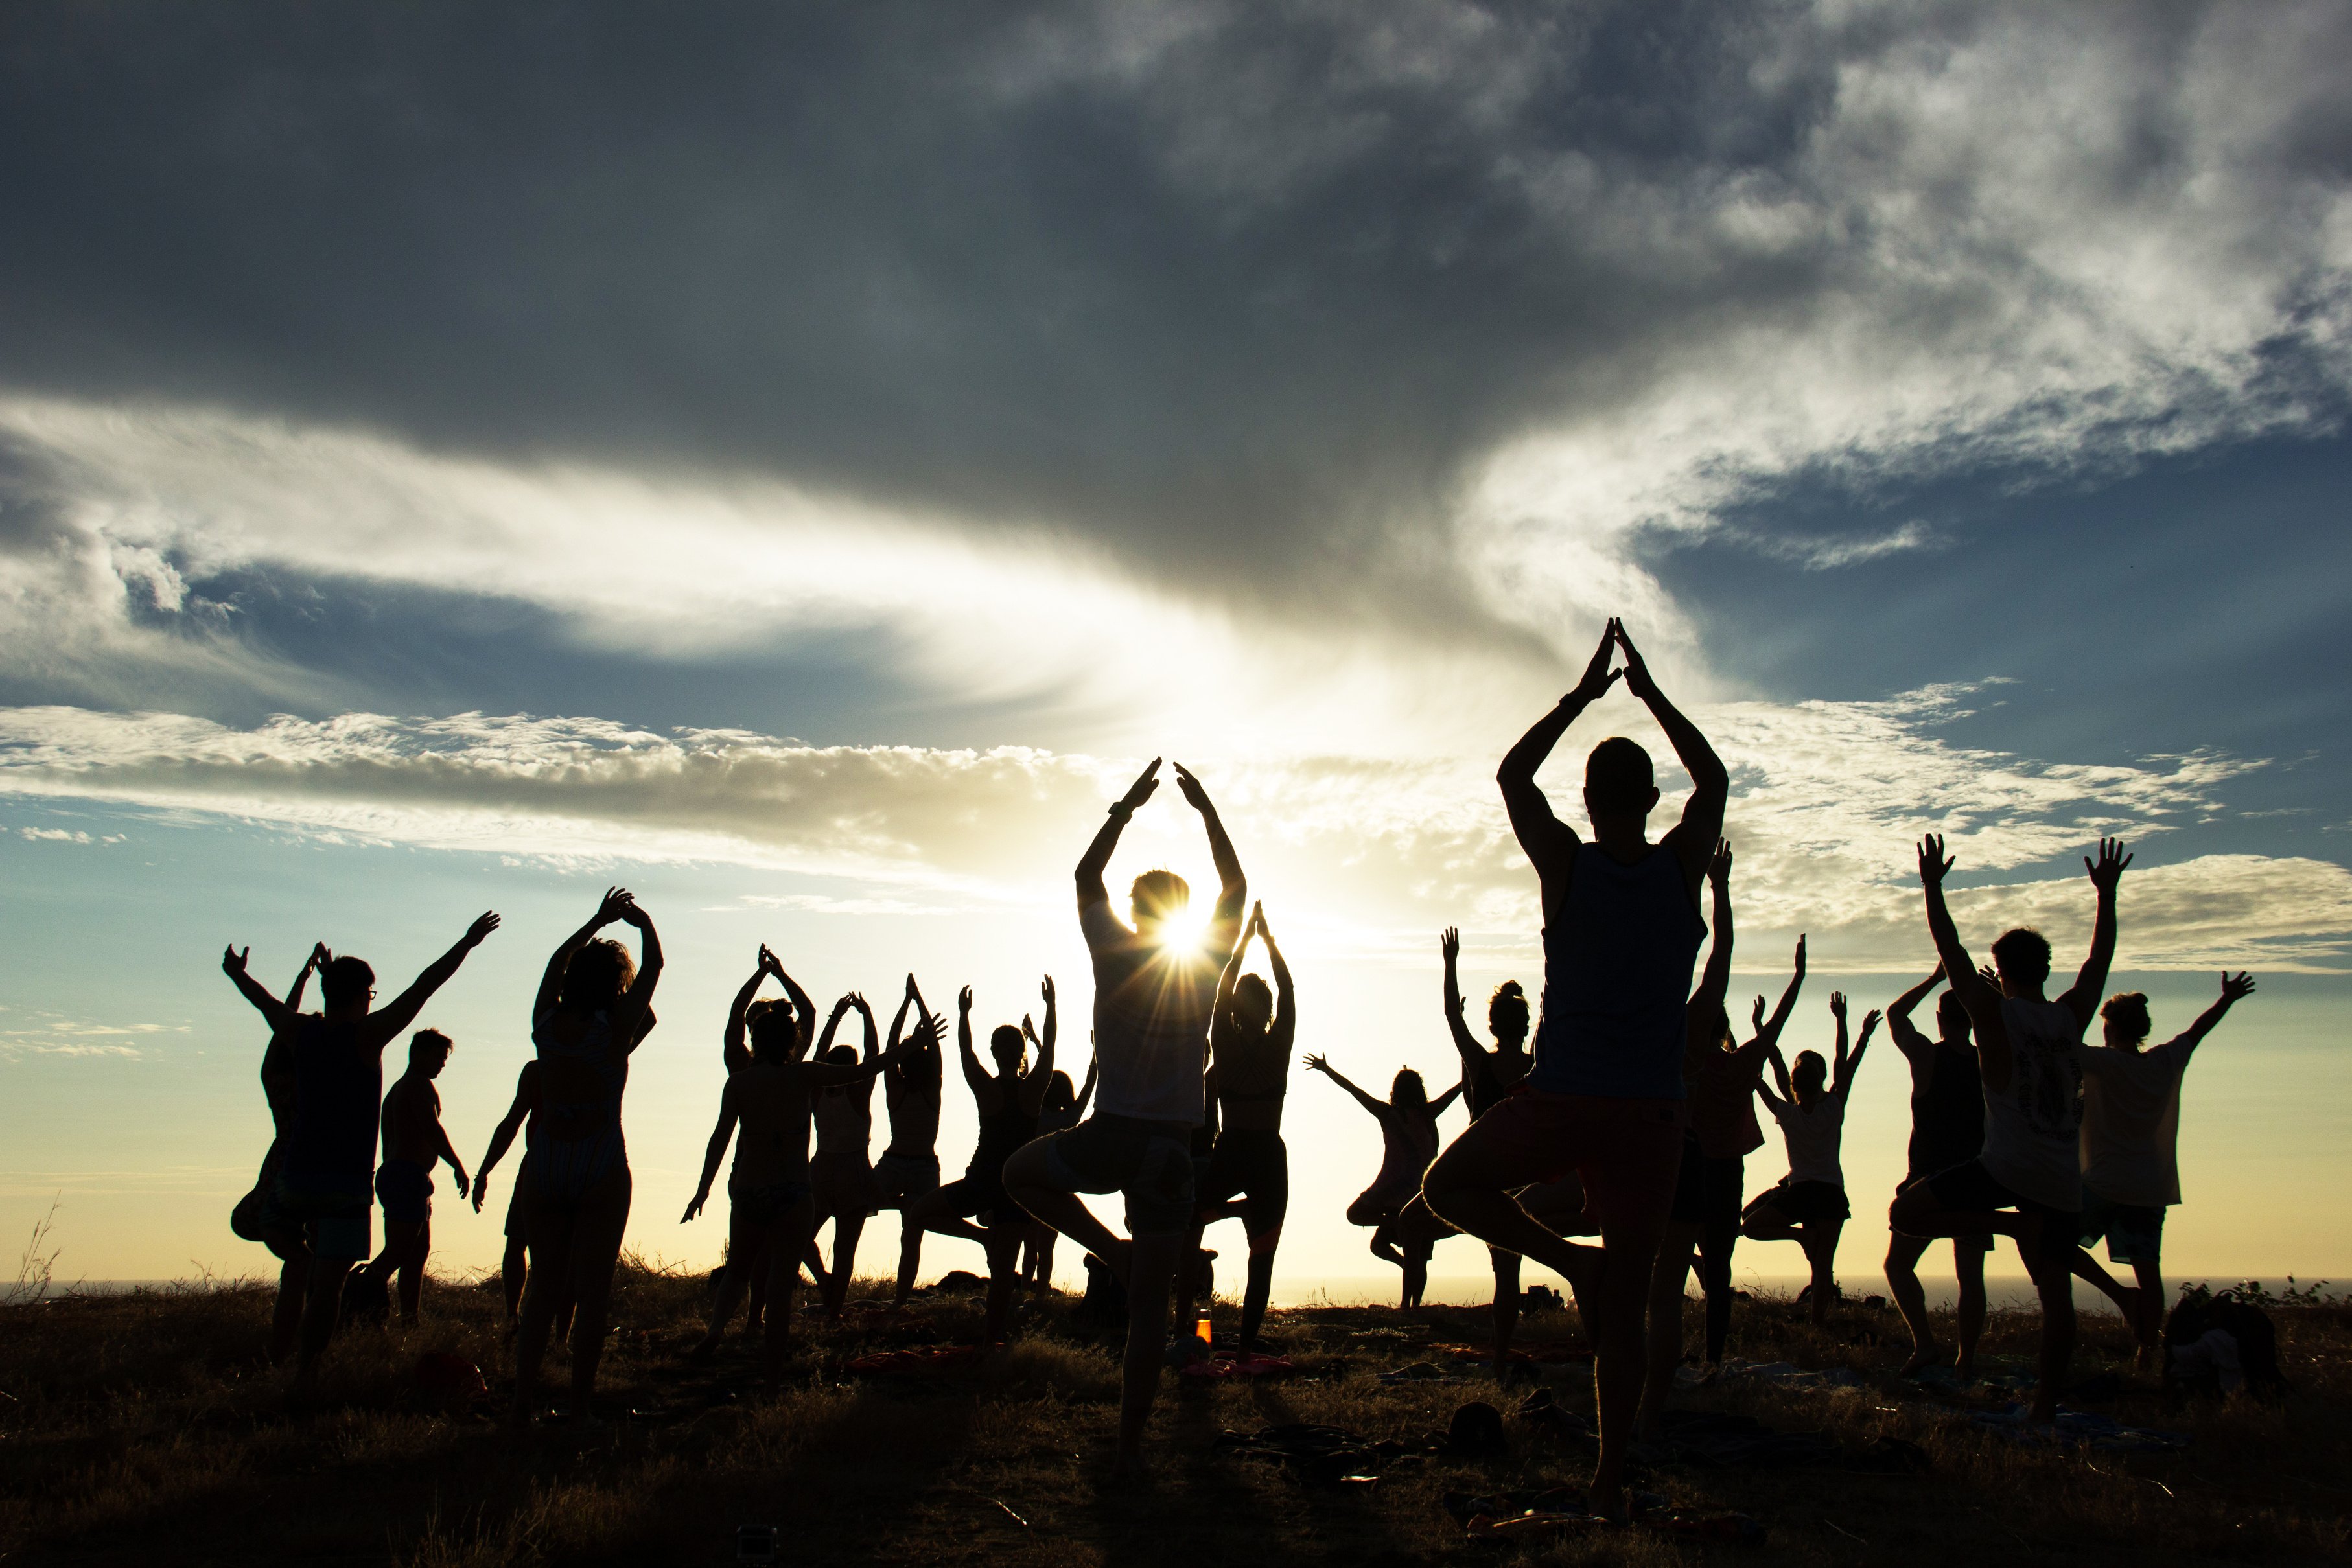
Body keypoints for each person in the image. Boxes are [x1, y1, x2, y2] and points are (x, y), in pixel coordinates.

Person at [1422, 619, 1727, 1519]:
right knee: (1628, 1307)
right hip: (1651, 1117)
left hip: (1562, 1101)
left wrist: (1585, 695)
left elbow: (1514, 776)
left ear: (1590, 800)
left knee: (1447, 1188)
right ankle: (1607, 1481)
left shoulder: (1566, 864)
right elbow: (1712, 780)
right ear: (1648, 797)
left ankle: (1566, 1265)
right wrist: (1651, 693)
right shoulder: (1680, 870)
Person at [1002, 757, 1247, 1477]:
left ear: (1137, 909)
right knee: (1147, 1316)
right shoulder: (1201, 963)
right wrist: (1205, 812)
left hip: (1110, 1134)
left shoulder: (1113, 951)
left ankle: (1111, 1251)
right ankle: (1129, 1445)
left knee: (1021, 1174)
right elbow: (1234, 888)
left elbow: (1084, 879)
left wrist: (1124, 808)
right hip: (1172, 1150)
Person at [1890, 836, 2130, 1424]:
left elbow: (1948, 949)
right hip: (2057, 1179)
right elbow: (2099, 963)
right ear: (2045, 970)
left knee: (1904, 1214)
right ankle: (2044, 1408)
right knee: (2056, 1296)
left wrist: (1931, 887)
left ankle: (2006, 1224)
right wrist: (2106, 896)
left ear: (1998, 973)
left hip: (2002, 1170)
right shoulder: (2070, 1016)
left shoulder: (1994, 1016)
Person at [218, 911, 501, 1401]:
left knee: (297, 1268)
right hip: (344, 1186)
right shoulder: (366, 1038)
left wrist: (239, 974)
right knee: (326, 1286)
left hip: (295, 1178)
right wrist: (468, 942)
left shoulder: (302, 1034)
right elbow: (424, 986)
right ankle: (306, 1374)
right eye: (371, 995)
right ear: (363, 994)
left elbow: (263, 1003)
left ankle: (278, 1358)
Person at [684, 951, 910, 1378]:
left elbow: (720, 1136)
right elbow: (864, 1063)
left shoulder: (739, 1076)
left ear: (754, 1038)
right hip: (792, 1187)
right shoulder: (803, 1074)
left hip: (749, 1183)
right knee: (780, 1282)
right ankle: (772, 1366)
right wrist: (781, 974)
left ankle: (717, 1330)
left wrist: (703, 1188)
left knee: (740, 1268)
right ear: (792, 1040)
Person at [513, 889, 660, 1429]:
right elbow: (656, 967)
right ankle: (577, 1410)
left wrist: (597, 919)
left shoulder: (544, 1025)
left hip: (546, 1162)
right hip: (599, 1162)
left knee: (542, 1289)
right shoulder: (615, 1030)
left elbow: (555, 962)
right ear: (614, 986)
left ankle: (522, 1406)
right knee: (592, 1293)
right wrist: (641, 925)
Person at [2069, 973, 2257, 1369]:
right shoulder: (2165, 1061)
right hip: (2150, 1186)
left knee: (2052, 1242)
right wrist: (2227, 1000)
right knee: (2148, 1271)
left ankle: (2120, 1296)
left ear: (2113, 1028)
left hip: (2104, 1182)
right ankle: (2146, 1353)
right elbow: (2198, 1030)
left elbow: (2054, 1043)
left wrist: (2002, 995)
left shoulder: (2100, 1062)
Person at [1632, 839, 1740, 1437]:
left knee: (1640, 1288)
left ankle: (1635, 1412)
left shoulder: (1644, 1014)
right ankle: (1649, 1414)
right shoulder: (1695, 1019)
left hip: (1647, 1154)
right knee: (1666, 1294)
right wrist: (1716, 887)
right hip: (1686, 1157)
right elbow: (1719, 949)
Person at [892, 980, 1056, 1343]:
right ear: (1020, 1052)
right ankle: (991, 1342)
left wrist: (964, 1014)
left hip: (983, 1181)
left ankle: (983, 1238)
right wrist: (1050, 1007)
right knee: (1002, 1276)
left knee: (919, 1214)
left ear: (996, 1054)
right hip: (1015, 1189)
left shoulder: (987, 1088)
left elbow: (965, 1052)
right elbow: (1050, 1051)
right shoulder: (1033, 1090)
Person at [1187, 902, 1294, 1349]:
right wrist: (1265, 942)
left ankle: (1240, 1346)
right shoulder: (1274, 1044)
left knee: (1196, 1223)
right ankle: (1239, 1347)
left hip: (1241, 1151)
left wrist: (1245, 943)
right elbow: (1286, 988)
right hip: (1259, 1152)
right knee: (1258, 1255)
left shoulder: (1227, 1043)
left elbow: (1223, 990)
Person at [1881, 963, 1991, 1379]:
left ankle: (1926, 1345)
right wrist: (1993, 998)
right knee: (1971, 1277)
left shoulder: (1928, 1055)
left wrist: (1933, 979)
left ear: (1942, 1019)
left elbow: (1895, 1015)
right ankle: (1966, 1361)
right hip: (1975, 1180)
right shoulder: (1988, 1061)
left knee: (1897, 1265)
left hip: (1929, 1181)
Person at [1743, 993, 1878, 1324]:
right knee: (1823, 1264)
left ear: (1794, 1084)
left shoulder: (1788, 1113)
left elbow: (1769, 1071)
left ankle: (1801, 1237)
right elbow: (1845, 1064)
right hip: (1830, 1193)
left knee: (1750, 1227)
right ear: (1821, 1082)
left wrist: (1760, 1028)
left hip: (1802, 1192)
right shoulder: (1833, 1107)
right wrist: (1851, 1027)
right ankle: (1818, 1323)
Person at [227, 941, 331, 1364]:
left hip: (293, 1166)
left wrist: (307, 979)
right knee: (307, 1262)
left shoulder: (281, 1075)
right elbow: (282, 1020)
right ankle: (289, 1353)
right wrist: (317, 979)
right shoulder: (307, 1074)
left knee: (308, 1263)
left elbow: (278, 1018)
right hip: (300, 1170)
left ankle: (290, 1352)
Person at [1311, 1053, 1462, 1306]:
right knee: (1407, 1252)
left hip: (1402, 1192)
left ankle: (1409, 1306)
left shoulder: (1394, 1113)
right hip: (1414, 1194)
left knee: (1412, 1250)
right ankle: (1409, 1295)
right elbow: (1457, 1090)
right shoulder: (1424, 1113)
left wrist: (1328, 1070)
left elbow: (1354, 1090)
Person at [356, 1028, 472, 1322]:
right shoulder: (418, 1085)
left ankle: (409, 1319)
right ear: (419, 1053)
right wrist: (457, 1165)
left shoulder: (398, 1088)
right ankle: (355, 1299)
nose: (442, 1064)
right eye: (438, 1057)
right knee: (399, 1251)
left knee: (417, 1252)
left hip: (404, 1176)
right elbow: (431, 1128)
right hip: (406, 1176)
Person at [472, 1059, 570, 1335]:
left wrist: (483, 1173)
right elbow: (512, 1123)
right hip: (546, 1166)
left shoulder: (546, 1069)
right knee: (521, 1242)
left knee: (544, 1249)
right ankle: (516, 1319)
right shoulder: (539, 1070)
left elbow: (512, 1122)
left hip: (558, 1166)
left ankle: (549, 1332)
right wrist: (483, 1172)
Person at [808, 993, 885, 1316]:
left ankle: (825, 1285)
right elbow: (873, 1054)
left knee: (800, 1234)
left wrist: (835, 1018)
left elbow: (818, 1054)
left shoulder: (816, 1089)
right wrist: (867, 1014)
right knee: (845, 1249)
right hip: (852, 1170)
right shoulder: (857, 1089)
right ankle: (834, 1308)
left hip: (821, 1168)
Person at [875, 974, 946, 1243]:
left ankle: (901, 1205)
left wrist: (907, 1001)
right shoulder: (933, 1089)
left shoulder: (894, 1086)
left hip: (894, 1163)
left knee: (862, 1202)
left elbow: (891, 1045)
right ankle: (904, 1288)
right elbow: (935, 1045)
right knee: (913, 1235)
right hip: (924, 1166)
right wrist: (918, 1000)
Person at [1021, 1054, 1099, 1291]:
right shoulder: (1071, 1117)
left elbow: (1026, 1081)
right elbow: (1089, 1084)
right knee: (1047, 1248)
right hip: (1056, 1187)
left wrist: (1031, 1049)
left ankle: (1025, 1289)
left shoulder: (1035, 1114)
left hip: (1031, 1182)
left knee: (1030, 1246)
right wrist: (1095, 1055)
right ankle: (1042, 1294)